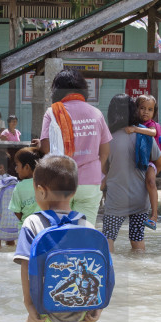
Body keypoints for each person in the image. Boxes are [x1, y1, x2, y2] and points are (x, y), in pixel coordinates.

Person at [15, 155, 101, 322]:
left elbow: (26, 266)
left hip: (43, 311)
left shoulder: (32, 223)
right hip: (78, 312)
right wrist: (97, 308)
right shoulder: (86, 227)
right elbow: (98, 270)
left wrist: (29, 304)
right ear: (74, 192)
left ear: (41, 191)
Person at [38, 69, 112, 223]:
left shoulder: (52, 113)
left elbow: (46, 148)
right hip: (90, 183)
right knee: (85, 232)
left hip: (60, 181)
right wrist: (99, 175)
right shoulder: (97, 113)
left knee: (59, 232)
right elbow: (104, 152)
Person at [101, 93, 161, 252]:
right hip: (140, 199)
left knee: (108, 238)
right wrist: (150, 174)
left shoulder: (107, 139)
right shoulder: (144, 134)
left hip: (116, 199)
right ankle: (140, 272)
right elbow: (160, 162)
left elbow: (103, 169)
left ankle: (110, 274)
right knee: (137, 239)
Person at [123, 94, 161, 229]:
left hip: (152, 160)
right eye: (142, 108)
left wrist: (135, 129)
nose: (146, 112)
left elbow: (152, 133)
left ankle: (154, 216)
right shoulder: (132, 124)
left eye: (150, 109)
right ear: (136, 109)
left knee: (151, 181)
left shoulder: (153, 126)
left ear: (154, 112)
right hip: (139, 160)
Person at [8, 146, 42, 222]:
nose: (16, 169)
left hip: (26, 229)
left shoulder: (19, 187)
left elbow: (17, 213)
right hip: (43, 228)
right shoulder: (45, 183)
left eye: (17, 165)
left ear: (27, 167)